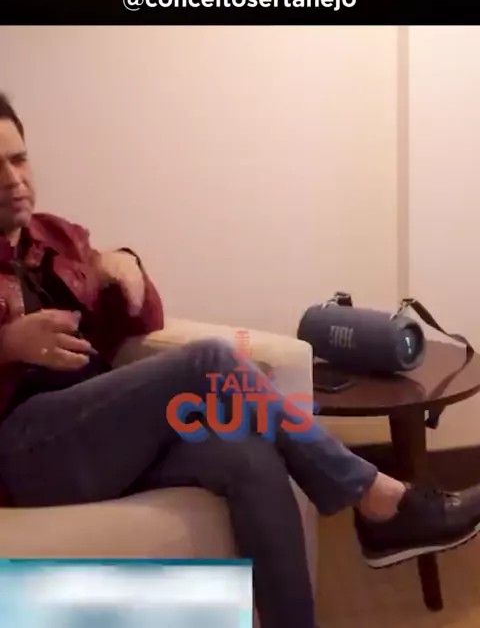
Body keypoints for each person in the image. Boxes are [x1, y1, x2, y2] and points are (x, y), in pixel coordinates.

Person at [0, 91, 479, 628]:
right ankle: (378, 497)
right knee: (207, 359)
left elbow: (141, 325)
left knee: (247, 454)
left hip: (104, 430)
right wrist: (7, 344)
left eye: (19, 159)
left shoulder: (58, 237)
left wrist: (125, 265)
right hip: (24, 450)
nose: (14, 180)